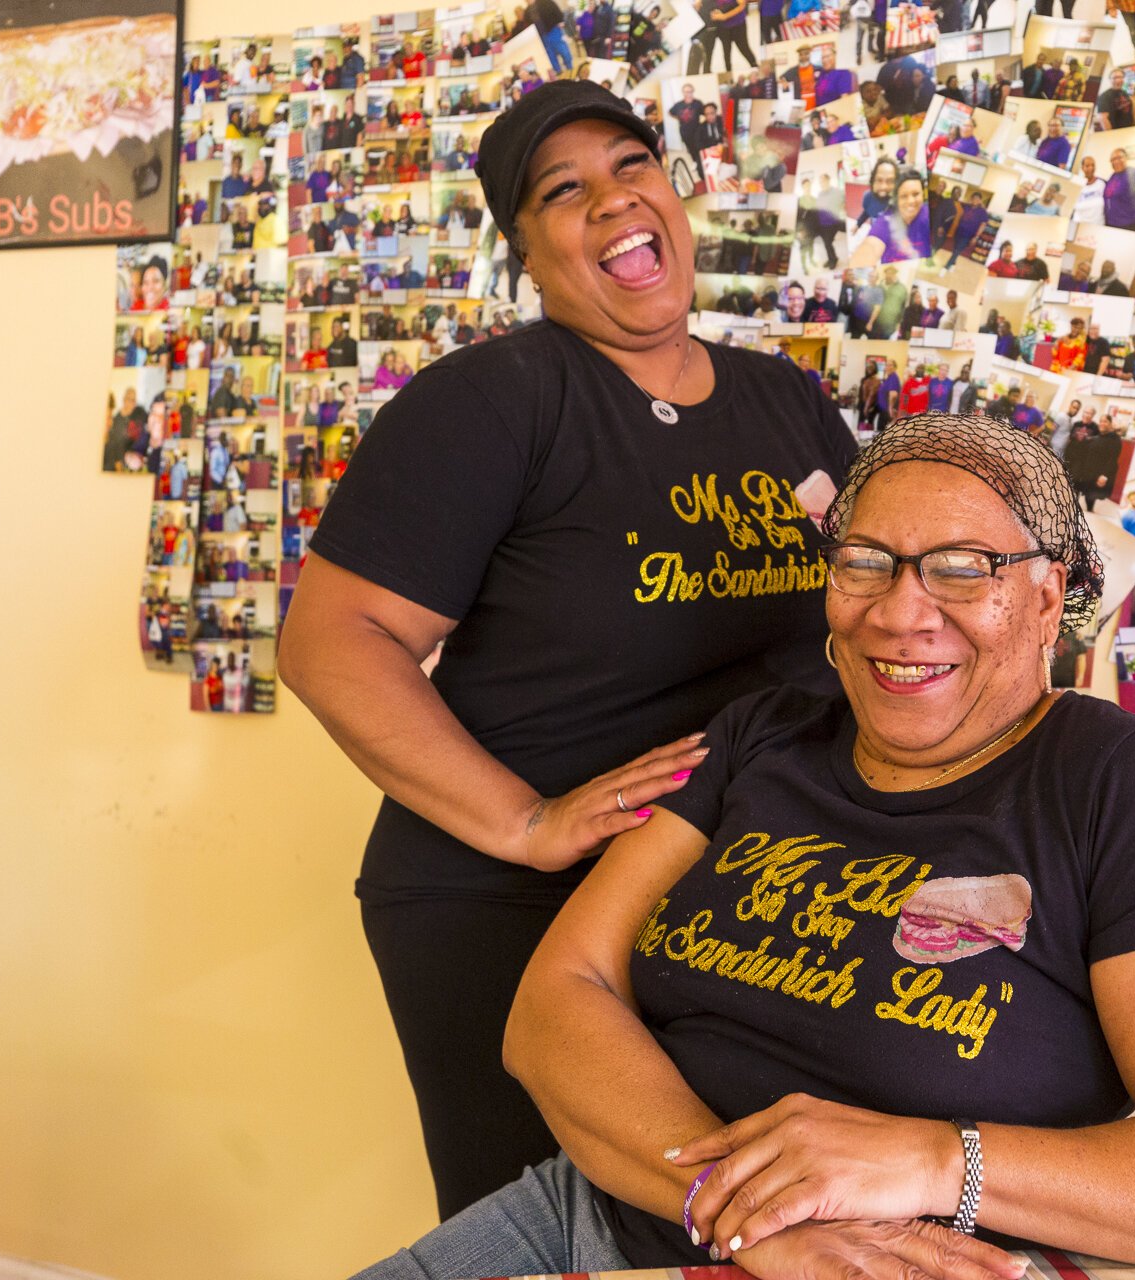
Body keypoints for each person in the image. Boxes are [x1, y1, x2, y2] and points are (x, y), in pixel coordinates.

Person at [351, 413, 1135, 1280]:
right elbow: (555, 1001)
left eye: (963, 568)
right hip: (599, 1209)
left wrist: (932, 1160)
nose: (898, 609)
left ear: (1048, 598)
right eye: (864, 561)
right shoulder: (760, 736)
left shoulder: (1109, 780)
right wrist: (738, 1206)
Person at [278, 82, 861, 1220]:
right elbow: (330, 640)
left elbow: (852, 619)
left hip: (727, 892)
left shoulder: (787, 401)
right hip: (505, 907)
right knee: (555, 1226)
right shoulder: (493, 402)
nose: (612, 200)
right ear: (525, 252)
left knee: (734, 1221)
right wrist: (525, 823)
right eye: (562, 190)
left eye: (631, 164)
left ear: (674, 195)